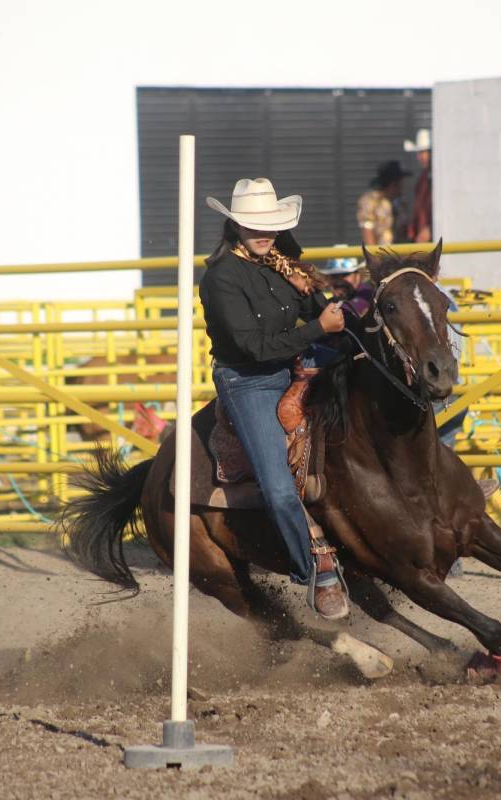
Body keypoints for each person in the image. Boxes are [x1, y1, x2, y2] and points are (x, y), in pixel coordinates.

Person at [200, 178, 351, 620]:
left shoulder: (287, 263)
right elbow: (253, 348)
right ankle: (316, 573)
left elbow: (315, 311)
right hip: (248, 381)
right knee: (278, 486)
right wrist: (320, 329)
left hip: (295, 364)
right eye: (254, 225)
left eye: (270, 225)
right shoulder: (221, 278)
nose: (265, 232)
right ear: (235, 226)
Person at [357, 160, 409, 247]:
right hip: (380, 256)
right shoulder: (370, 201)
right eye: (401, 183)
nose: (402, 187)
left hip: (399, 256)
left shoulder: (400, 203)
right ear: (393, 184)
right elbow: (368, 232)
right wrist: (375, 258)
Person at [317, 252, 374, 318]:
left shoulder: (366, 293)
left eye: (345, 274)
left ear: (358, 275)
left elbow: (347, 311)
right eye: (334, 276)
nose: (339, 280)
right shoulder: (332, 300)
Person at [404, 128, 433, 243]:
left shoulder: (439, 180)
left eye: (423, 152)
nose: (420, 157)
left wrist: (430, 229)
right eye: (419, 153)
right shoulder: (422, 179)